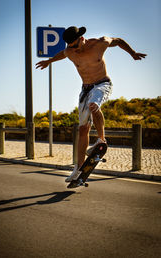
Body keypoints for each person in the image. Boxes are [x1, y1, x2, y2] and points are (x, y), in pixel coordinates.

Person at [36, 26, 146, 182]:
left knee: (94, 105)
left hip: (102, 84)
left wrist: (132, 53)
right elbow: (63, 54)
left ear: (82, 39)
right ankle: (78, 168)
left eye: (74, 45)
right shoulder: (70, 51)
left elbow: (118, 41)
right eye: (70, 46)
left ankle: (102, 140)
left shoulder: (99, 44)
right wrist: (49, 61)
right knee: (82, 130)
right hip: (85, 89)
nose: (73, 49)